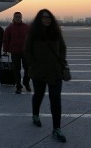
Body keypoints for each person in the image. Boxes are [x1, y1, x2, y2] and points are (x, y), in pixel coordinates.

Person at [25, 9, 68, 143]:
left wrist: (61, 63)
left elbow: (62, 48)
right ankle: (35, 115)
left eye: (49, 17)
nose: (47, 19)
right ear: (39, 19)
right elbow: (27, 51)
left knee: (56, 100)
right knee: (38, 95)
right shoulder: (33, 33)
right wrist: (33, 65)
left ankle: (57, 128)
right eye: (44, 17)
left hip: (55, 71)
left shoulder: (56, 32)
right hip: (39, 72)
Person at [3, 12, 30, 94]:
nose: (18, 18)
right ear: (13, 17)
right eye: (16, 17)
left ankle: (26, 82)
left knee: (28, 69)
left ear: (22, 17)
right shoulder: (10, 28)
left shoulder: (26, 27)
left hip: (25, 51)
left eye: (19, 17)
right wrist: (5, 49)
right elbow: (6, 39)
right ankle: (18, 86)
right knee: (16, 70)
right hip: (14, 52)